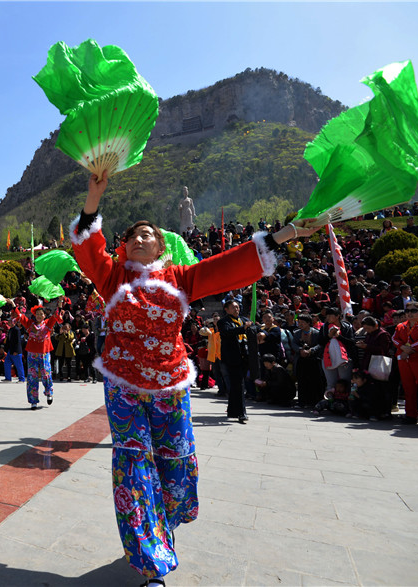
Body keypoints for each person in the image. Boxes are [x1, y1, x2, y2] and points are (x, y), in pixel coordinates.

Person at [72, 170, 318, 585]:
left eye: (147, 234)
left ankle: (161, 528)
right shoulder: (112, 276)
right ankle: (152, 564)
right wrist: (93, 196)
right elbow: (87, 246)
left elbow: (228, 266)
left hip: (170, 382)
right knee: (133, 465)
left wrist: (281, 236)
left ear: (162, 246)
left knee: (178, 467)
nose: (138, 238)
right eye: (132, 235)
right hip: (123, 384)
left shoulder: (181, 279)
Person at [10, 299, 62, 409]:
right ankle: (33, 401)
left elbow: (57, 314)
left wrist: (60, 301)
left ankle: (49, 392)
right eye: (37, 314)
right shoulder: (29, 324)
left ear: (44, 315)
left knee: (46, 374)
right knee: (32, 377)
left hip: (44, 353)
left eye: (41, 314)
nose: (39, 316)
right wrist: (13, 304)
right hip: (32, 353)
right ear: (35, 315)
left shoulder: (48, 323)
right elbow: (19, 315)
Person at [218, 300, 252, 422]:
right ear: (226, 309)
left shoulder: (243, 320)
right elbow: (227, 332)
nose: (236, 309)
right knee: (239, 385)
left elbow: (255, 328)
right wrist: (244, 328)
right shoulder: (223, 322)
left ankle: (232, 410)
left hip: (244, 357)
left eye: (237, 307)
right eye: (233, 307)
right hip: (232, 358)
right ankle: (241, 412)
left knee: (236, 385)